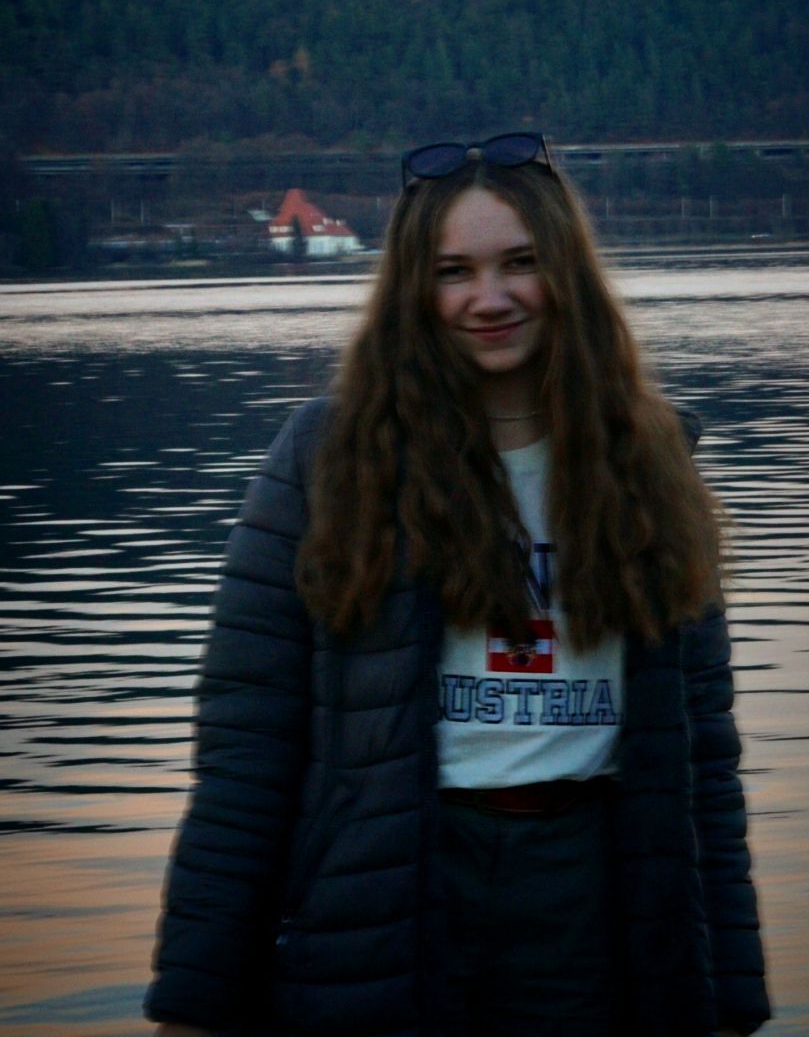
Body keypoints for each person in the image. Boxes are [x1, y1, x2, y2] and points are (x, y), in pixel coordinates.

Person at [146, 132, 771, 1037]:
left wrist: (733, 999)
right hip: (389, 880)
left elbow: (702, 755)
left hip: (594, 889)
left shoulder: (651, 460)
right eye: (453, 272)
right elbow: (247, 750)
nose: (490, 298)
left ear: (567, 272)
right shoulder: (327, 459)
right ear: (414, 289)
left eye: (521, 262)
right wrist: (195, 1002)